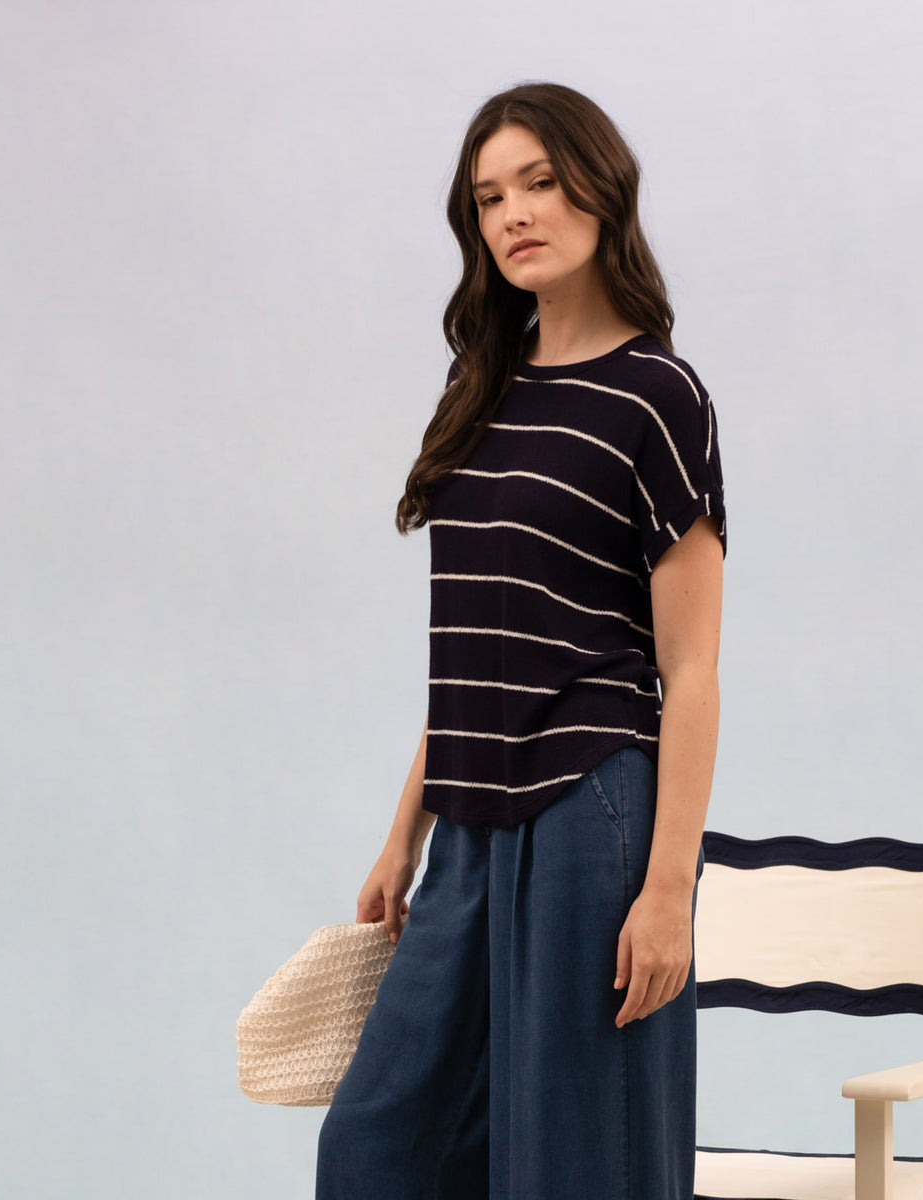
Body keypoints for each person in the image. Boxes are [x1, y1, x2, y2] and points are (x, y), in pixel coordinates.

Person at [316, 81, 727, 1200]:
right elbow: (474, 646)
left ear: (602, 188)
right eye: (490, 197)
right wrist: (403, 837)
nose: (515, 214)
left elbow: (691, 669)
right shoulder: (478, 384)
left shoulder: (659, 398)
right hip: (467, 820)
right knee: (375, 1151)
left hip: (592, 812)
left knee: (576, 1164)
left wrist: (670, 890)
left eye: (539, 183)